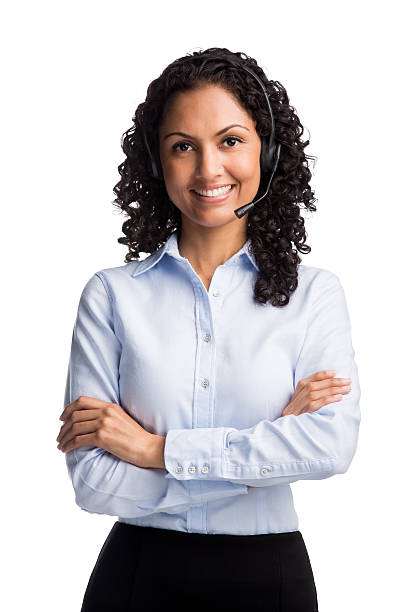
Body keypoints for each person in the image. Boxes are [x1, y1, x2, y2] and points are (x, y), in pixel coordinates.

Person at [56, 47, 361, 612]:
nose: (208, 169)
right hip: (137, 577)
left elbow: (328, 445)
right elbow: (93, 482)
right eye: (182, 147)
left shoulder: (314, 295)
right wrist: (259, 460)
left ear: (266, 153)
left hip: (269, 579)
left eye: (230, 141)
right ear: (157, 164)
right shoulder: (112, 295)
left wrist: (154, 450)